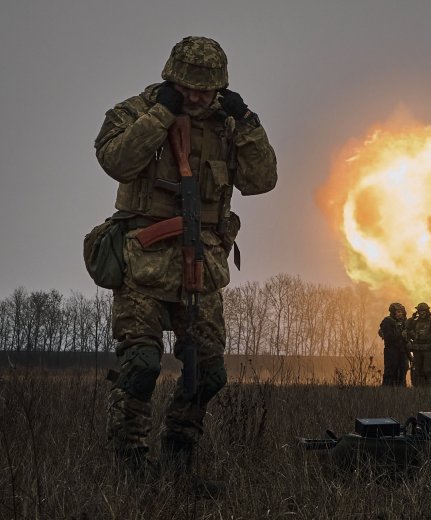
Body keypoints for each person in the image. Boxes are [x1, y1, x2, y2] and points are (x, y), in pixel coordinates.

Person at [94, 36, 277, 479]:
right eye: (189, 88)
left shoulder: (230, 125)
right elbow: (115, 161)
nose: (197, 97)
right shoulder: (137, 111)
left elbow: (262, 180)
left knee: (209, 374)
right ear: (172, 80)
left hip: (203, 265)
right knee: (140, 368)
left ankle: (178, 456)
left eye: (207, 90)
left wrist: (247, 121)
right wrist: (161, 114)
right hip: (144, 265)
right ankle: (131, 465)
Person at [406, 302, 431, 386]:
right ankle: (418, 389)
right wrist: (412, 319)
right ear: (417, 312)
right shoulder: (414, 322)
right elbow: (406, 328)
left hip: (428, 349)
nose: (422, 313)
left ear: (427, 311)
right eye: (420, 311)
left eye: (423, 311)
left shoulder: (430, 321)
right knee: (417, 370)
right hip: (417, 349)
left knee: (428, 370)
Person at [378, 302, 409, 386]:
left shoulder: (405, 322)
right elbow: (388, 337)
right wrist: (400, 335)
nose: (400, 314)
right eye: (398, 312)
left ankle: (401, 390)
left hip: (402, 350)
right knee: (391, 371)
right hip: (391, 350)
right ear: (393, 312)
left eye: (401, 312)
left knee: (403, 369)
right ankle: (388, 391)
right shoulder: (387, 321)